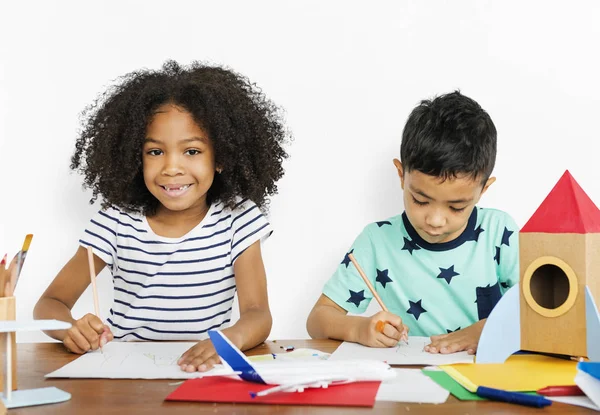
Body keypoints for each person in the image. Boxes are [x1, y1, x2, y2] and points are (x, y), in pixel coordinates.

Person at [34, 60, 289, 372]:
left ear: (220, 158)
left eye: (192, 151)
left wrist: (228, 339)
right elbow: (49, 305)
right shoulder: (115, 221)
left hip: (202, 371)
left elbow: (258, 313)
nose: (171, 168)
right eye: (155, 152)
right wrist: (69, 329)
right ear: (135, 157)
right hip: (123, 371)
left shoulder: (238, 220)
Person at [306, 91, 518, 355]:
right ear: (401, 175)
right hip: (412, 378)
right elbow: (318, 320)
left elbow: (545, 310)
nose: (435, 220)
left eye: (457, 207)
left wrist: (489, 327)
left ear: (484, 189)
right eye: (420, 200)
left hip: (487, 378)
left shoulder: (499, 233)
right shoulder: (377, 241)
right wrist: (359, 329)